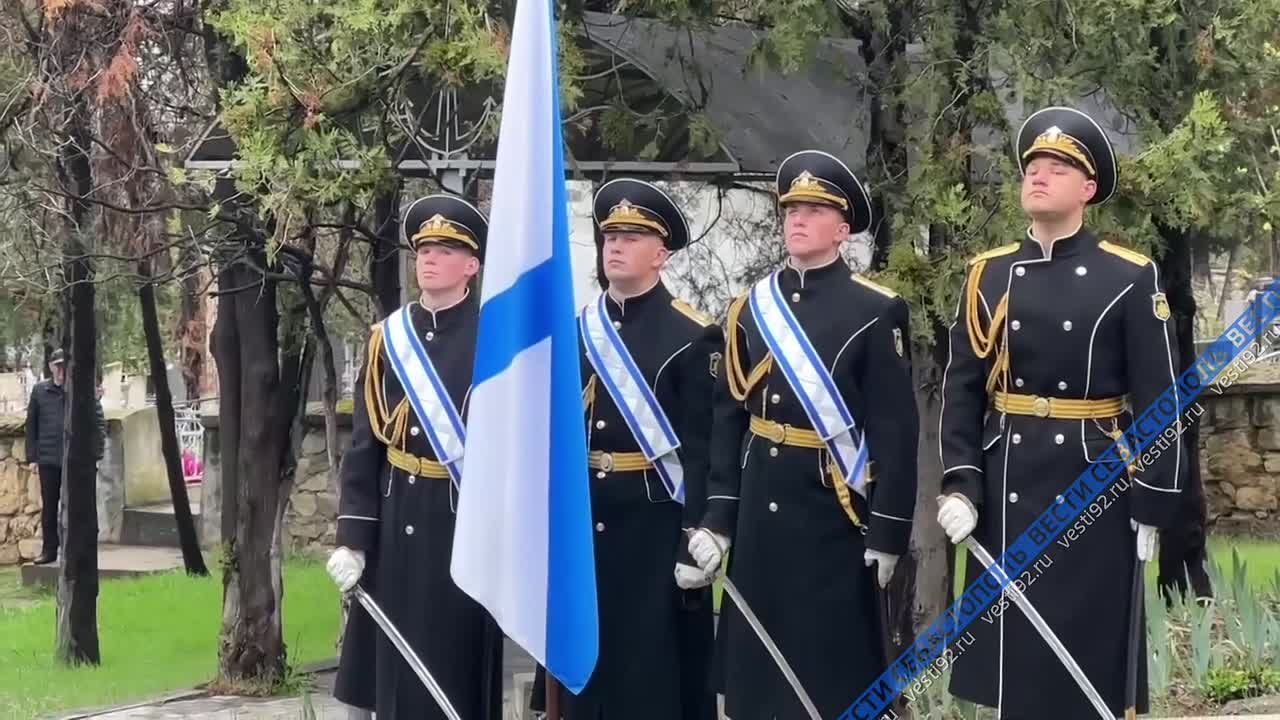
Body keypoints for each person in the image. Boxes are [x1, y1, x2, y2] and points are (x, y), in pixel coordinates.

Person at [936, 106, 1181, 719]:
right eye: (1032, 167)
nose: (1038, 176)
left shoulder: (1128, 276)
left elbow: (1159, 399)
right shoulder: (988, 275)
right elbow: (962, 389)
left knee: (1085, 662)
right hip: (1007, 485)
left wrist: (1153, 502)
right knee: (1014, 668)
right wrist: (961, 483)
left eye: (1057, 168)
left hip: (1092, 484)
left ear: (1088, 189)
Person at [684, 151, 919, 719]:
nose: (798, 219)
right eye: (791, 209)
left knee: (831, 673)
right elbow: (727, 421)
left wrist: (888, 533)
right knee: (758, 683)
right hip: (761, 515)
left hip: (833, 515)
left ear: (842, 230)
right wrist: (718, 520)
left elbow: (895, 431)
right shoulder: (749, 310)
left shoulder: (875, 310)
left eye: (814, 211)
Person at [535, 179, 723, 720]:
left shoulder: (693, 336)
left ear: (661, 254)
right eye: (610, 236)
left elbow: (703, 452)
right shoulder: (577, 332)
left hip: (653, 530)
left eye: (631, 237)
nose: (614, 246)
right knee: (585, 678)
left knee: (650, 680)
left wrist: (697, 536)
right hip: (584, 528)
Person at [327, 194, 503, 720]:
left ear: (471, 266)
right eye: (424, 249)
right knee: (388, 676)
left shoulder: (494, 339)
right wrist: (353, 538)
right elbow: (365, 446)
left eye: (445, 250)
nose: (429, 259)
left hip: (459, 525)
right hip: (394, 518)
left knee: (451, 670)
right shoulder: (388, 339)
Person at [24, 349, 105, 565]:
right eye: (57, 366)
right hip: (48, 460)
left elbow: (98, 422)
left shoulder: (80, 390)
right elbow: (31, 426)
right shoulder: (40, 391)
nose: (61, 370)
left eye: (64, 365)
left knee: (76, 507)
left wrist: (96, 454)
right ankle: (49, 550)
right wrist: (32, 457)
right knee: (50, 508)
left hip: (75, 459)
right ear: (51, 367)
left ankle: (76, 551)